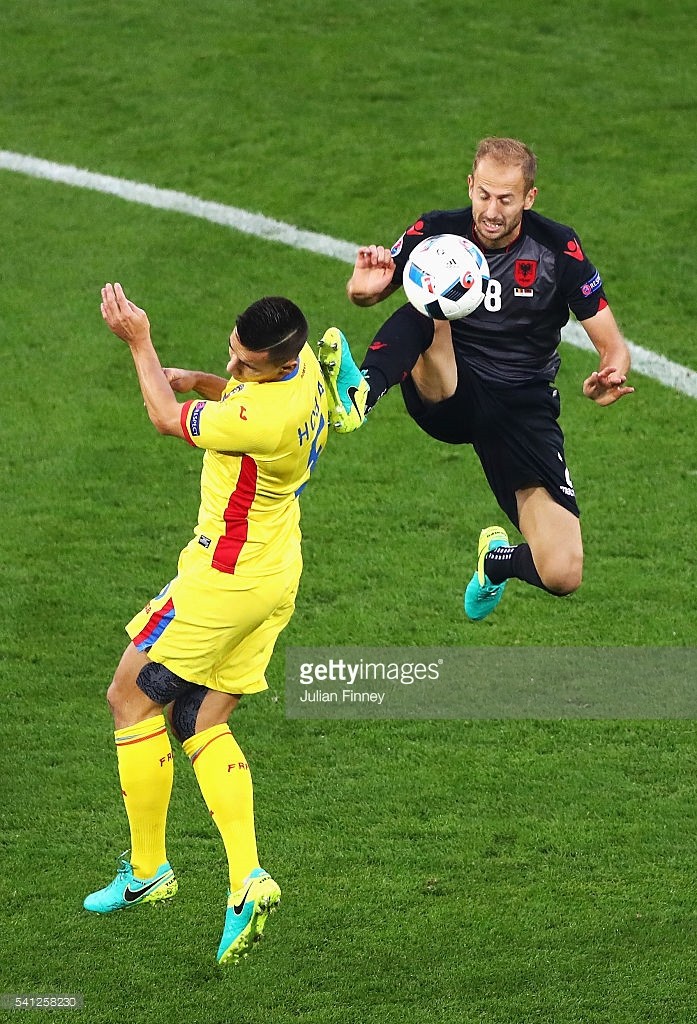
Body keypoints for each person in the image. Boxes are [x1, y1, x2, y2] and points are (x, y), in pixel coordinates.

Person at [84, 284, 328, 966]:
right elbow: (239, 399)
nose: (234, 366)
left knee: (129, 697)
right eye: (233, 352)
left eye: (245, 364)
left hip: (222, 580)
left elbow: (167, 420)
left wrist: (140, 341)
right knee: (199, 720)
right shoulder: (301, 367)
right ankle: (246, 880)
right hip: (275, 571)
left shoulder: (264, 417)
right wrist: (202, 379)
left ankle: (149, 870)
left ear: (278, 364)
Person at [319, 136, 634, 620]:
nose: (491, 210)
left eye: (506, 199)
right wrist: (361, 289)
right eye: (483, 194)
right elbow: (371, 292)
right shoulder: (437, 234)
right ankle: (360, 391)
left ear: (529, 198)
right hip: (452, 387)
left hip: (523, 407)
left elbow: (611, 342)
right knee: (431, 301)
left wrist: (611, 372)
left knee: (563, 571)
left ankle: (496, 562)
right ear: (470, 185)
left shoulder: (557, 249)